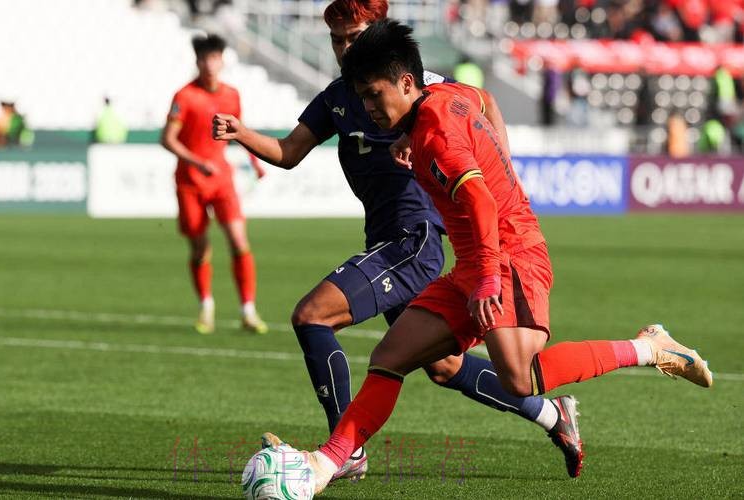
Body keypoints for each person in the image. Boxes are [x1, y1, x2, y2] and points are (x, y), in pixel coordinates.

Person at [264, 19, 713, 494]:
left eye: (375, 95)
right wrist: (425, 140)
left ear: (407, 83)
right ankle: (325, 465)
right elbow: (480, 101)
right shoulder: (445, 96)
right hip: (477, 259)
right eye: (362, 97)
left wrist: (486, 280)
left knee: (521, 378)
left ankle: (649, 347)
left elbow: (479, 200)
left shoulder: (435, 135)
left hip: (511, 255)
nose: (369, 108)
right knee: (389, 357)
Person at [214, 0, 584, 481]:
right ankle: (554, 415)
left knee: (312, 315)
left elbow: (484, 103)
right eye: (337, 40)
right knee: (445, 366)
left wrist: (500, 173)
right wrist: (243, 133)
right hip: (384, 239)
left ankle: (344, 450)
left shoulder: (415, 85)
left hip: (414, 239)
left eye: (354, 37)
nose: (344, 48)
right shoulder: (338, 97)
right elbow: (288, 152)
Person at [161, 33, 267, 335]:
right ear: (197, 62)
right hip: (190, 182)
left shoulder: (231, 95)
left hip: (222, 180)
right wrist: (197, 162)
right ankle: (206, 306)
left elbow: (239, 132)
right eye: (204, 59)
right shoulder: (185, 96)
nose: (209, 64)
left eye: (214, 58)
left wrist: (256, 161)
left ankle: (248, 311)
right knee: (200, 248)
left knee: (239, 241)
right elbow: (167, 139)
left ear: (222, 61)